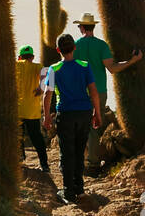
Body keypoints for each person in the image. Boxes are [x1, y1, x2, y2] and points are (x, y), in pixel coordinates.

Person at [73, 13, 142, 174]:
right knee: (94, 126)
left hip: (80, 91)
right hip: (99, 91)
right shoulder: (102, 46)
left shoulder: (76, 46)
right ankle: (92, 164)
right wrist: (132, 61)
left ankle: (82, 161)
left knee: (79, 125)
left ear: (82, 27)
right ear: (93, 27)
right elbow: (112, 68)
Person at [43, 33, 101, 203]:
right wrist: (97, 113)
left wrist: (46, 116)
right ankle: (80, 189)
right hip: (84, 112)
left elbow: (48, 94)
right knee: (79, 151)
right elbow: (94, 91)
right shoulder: (85, 66)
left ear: (58, 50)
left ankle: (68, 192)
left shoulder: (54, 69)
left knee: (66, 153)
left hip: (66, 114)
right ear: (75, 47)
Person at [14, 46, 48, 171]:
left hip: (17, 110)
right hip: (32, 111)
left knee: (18, 136)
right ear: (32, 57)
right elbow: (48, 73)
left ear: (20, 57)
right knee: (37, 137)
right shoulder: (37, 67)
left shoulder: (15, 65)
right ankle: (44, 164)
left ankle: (20, 160)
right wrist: (41, 87)